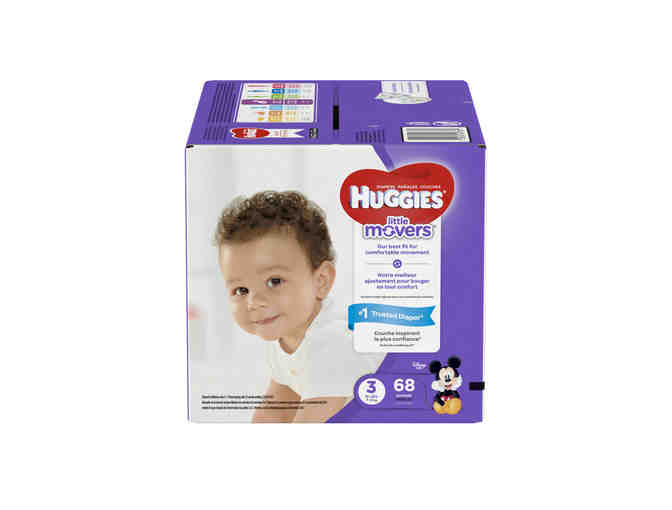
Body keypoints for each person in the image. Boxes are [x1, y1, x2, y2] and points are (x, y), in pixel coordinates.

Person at [215, 190, 381, 423]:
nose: (254, 302)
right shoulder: (283, 338)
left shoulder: (332, 344)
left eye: (274, 281)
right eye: (241, 290)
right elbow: (275, 411)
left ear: (321, 281)